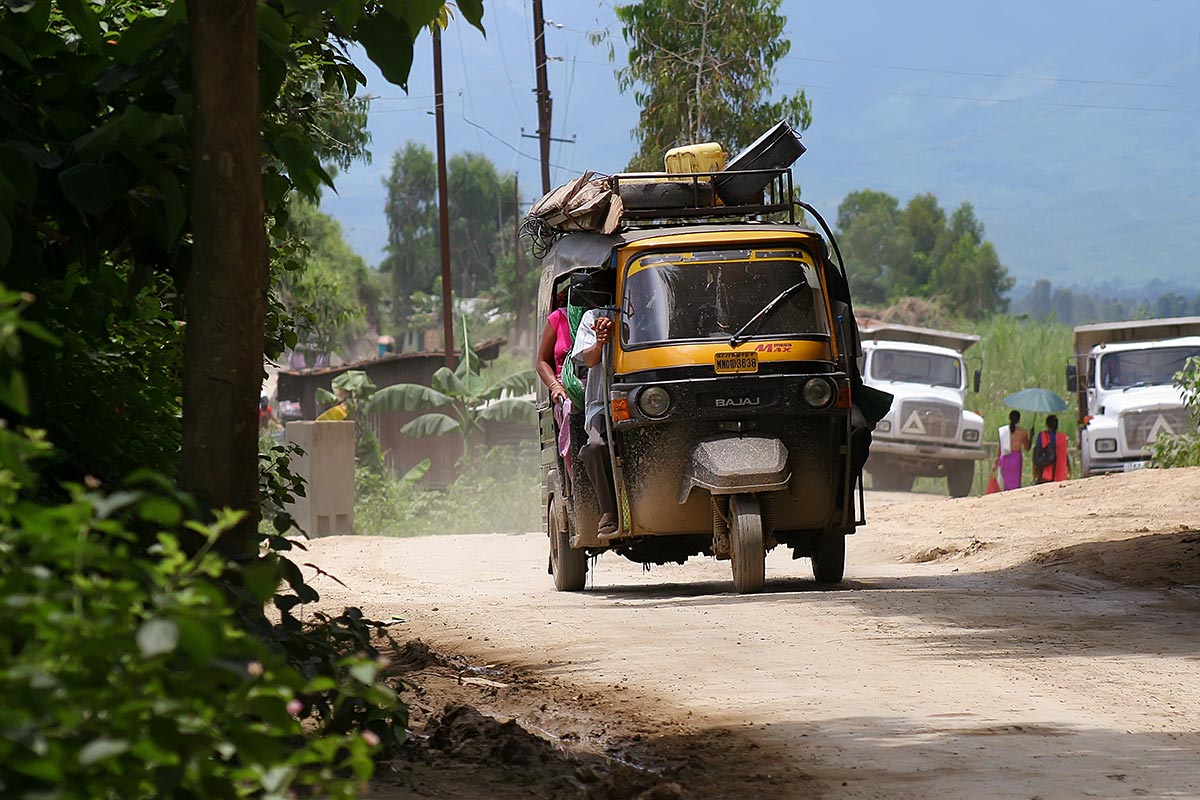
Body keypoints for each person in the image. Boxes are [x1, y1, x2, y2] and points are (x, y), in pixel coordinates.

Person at [569, 282, 618, 538]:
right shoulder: (594, 316)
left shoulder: (654, 306)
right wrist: (600, 342)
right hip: (603, 402)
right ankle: (608, 511)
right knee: (595, 447)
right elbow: (588, 360)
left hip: (645, 397)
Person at [996, 410, 1031, 490]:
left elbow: (1000, 446)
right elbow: (1027, 447)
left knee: (1005, 484)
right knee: (1015, 483)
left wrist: (996, 461)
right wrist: (1031, 436)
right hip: (1016, 459)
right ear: (1019, 419)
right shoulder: (1023, 432)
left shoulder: (1004, 431)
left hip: (1005, 458)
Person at [1033, 414, 1069, 484]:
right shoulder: (1062, 437)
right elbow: (1065, 455)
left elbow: (1037, 452)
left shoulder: (1042, 436)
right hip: (1059, 471)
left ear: (1046, 424)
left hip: (1044, 471)